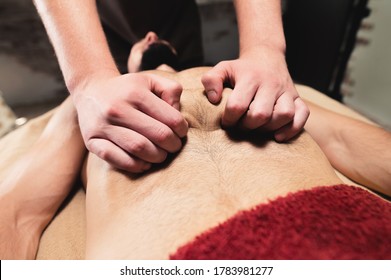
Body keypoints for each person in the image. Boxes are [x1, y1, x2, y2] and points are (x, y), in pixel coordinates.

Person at [1, 63, 391, 259]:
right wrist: (83, 95)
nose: (155, 41)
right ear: (127, 61)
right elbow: (20, 212)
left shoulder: (248, 80)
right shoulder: (94, 108)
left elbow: (345, 140)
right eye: (145, 46)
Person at [32, 0, 310, 173]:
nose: (151, 35)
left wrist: (266, 48)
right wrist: (88, 79)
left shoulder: (225, 84)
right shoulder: (85, 113)